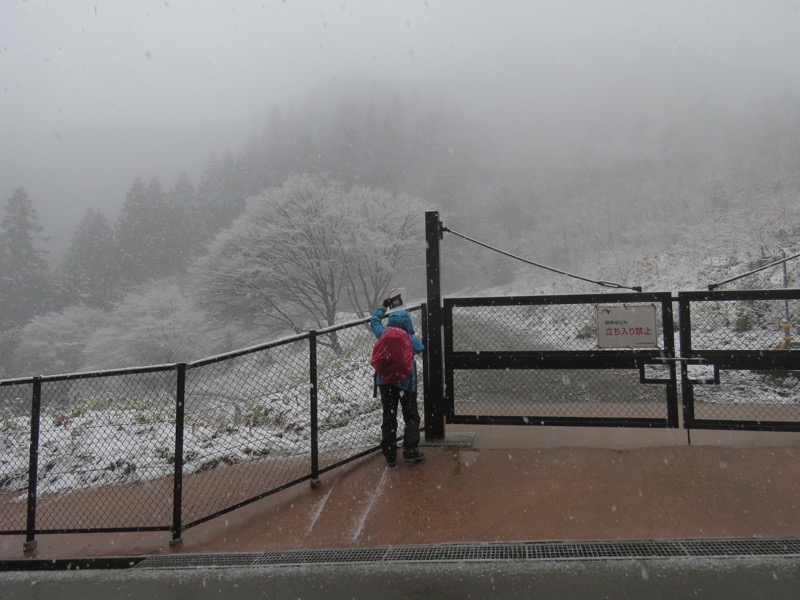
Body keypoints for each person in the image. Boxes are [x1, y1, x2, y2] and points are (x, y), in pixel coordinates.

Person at [371, 301, 425, 467]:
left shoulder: (383, 333)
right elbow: (420, 348)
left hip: (385, 383)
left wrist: (383, 307)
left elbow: (374, 322)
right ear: (408, 323)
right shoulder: (410, 338)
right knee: (411, 417)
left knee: (389, 417)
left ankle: (390, 455)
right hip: (406, 385)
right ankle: (410, 450)